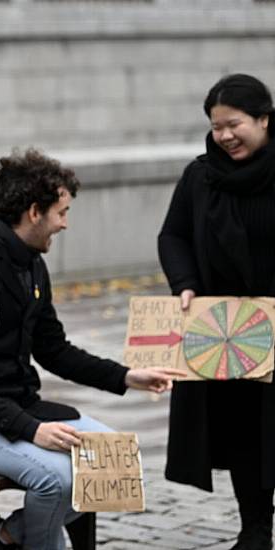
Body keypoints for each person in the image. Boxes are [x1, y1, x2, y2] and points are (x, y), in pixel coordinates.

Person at [0, 149, 180, 550]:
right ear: (35, 212)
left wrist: (125, 376)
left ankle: (0, 538)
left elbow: (53, 349)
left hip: (15, 406)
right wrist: (31, 430)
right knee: (56, 480)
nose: (65, 224)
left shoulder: (31, 261)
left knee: (114, 458)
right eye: (62, 213)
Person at [159, 73, 275, 550]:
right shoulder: (200, 176)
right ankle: (255, 531)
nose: (225, 135)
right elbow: (174, 236)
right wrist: (185, 284)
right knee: (244, 431)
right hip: (224, 329)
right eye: (217, 126)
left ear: (265, 120)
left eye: (235, 124)